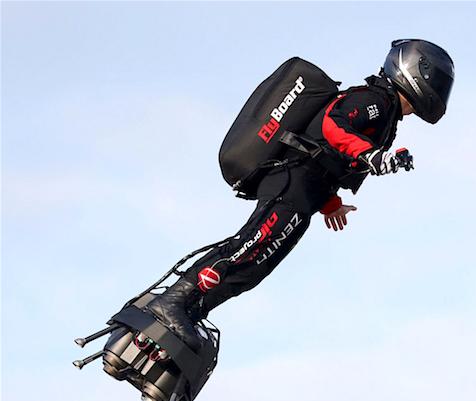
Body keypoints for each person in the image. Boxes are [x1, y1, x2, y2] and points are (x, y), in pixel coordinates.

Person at [144, 39, 455, 350]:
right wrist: (372, 156)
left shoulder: (387, 117)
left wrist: (330, 203)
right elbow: (333, 126)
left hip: (306, 193)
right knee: (252, 245)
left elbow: (332, 159)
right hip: (290, 181)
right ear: (416, 70)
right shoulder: (376, 100)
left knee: (254, 269)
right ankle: (173, 301)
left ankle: (188, 312)